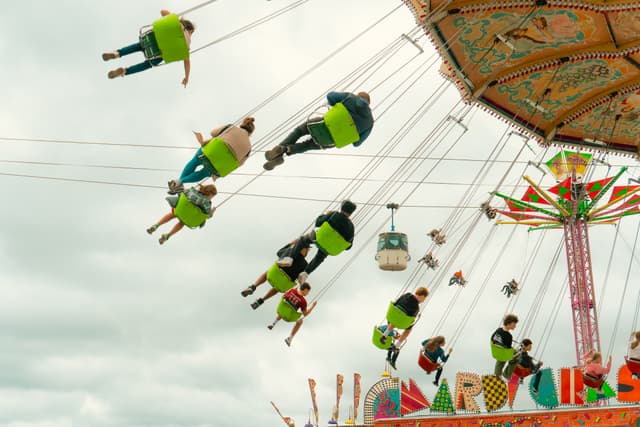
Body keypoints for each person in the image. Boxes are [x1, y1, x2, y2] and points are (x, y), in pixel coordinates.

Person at [263, 91, 374, 170]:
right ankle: (285, 150)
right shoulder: (370, 123)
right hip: (331, 141)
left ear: (358, 96)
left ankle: (280, 149)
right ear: (368, 104)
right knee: (307, 146)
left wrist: (337, 105)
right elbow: (357, 143)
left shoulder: (350, 97)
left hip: (321, 125)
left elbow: (330, 96)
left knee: (299, 131)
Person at [103, 9, 194, 86]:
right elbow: (187, 63)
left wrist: (174, 18)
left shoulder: (175, 23)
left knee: (138, 46)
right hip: (157, 55)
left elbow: (162, 11)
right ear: (189, 30)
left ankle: (117, 53)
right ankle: (125, 71)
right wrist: (187, 77)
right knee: (147, 64)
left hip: (150, 40)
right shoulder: (186, 45)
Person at [168, 118, 255, 194]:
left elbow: (213, 133)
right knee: (203, 173)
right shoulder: (248, 148)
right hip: (217, 167)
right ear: (251, 133)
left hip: (208, 152)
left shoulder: (230, 127)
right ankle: (180, 182)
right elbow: (240, 164)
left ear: (242, 124)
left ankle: (178, 182)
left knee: (195, 161)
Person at [288, 200, 356, 283]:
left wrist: (326, 215)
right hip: (329, 247)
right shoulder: (351, 227)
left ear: (342, 207)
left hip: (319, 238)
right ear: (351, 213)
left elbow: (318, 222)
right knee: (321, 256)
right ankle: (305, 273)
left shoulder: (334, 214)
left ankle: (289, 258)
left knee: (303, 240)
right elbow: (348, 247)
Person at [242, 241, 309, 310]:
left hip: (274, 274)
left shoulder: (290, 251)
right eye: (308, 250)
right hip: (283, 284)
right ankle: (261, 300)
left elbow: (279, 252)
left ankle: (253, 286)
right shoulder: (305, 265)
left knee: (267, 273)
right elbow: (301, 277)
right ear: (305, 250)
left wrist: (291, 243)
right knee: (277, 288)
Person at [146, 184, 216, 244]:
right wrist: (212, 212)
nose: (212, 198)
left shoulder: (192, 191)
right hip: (187, 216)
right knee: (182, 222)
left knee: (173, 214)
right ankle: (168, 235)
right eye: (212, 196)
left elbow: (184, 193)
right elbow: (206, 215)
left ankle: (156, 225)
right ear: (210, 194)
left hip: (180, 209)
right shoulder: (207, 203)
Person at [491, 314, 519, 378]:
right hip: (501, 351)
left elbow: (493, 338)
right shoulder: (509, 336)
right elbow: (508, 349)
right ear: (509, 323)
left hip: (497, 348)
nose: (515, 326)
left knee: (503, 356)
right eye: (514, 324)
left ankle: (497, 374)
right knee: (517, 355)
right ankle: (506, 375)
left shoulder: (499, 330)